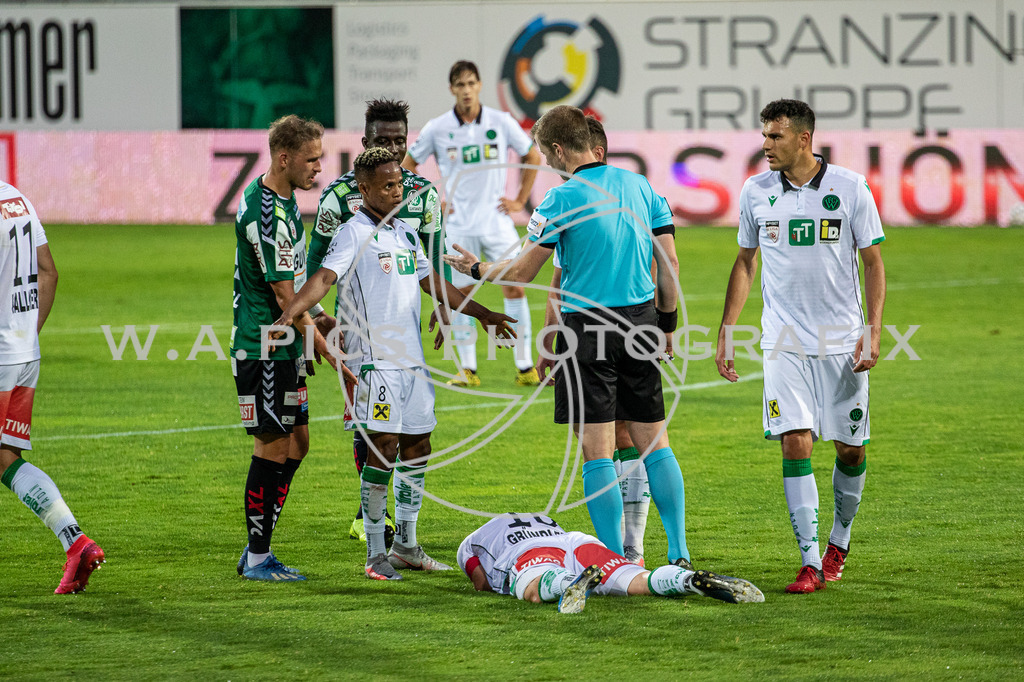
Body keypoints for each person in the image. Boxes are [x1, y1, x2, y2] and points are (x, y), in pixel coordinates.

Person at [445, 105, 690, 570]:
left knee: (597, 451)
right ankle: (678, 551)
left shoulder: (561, 200)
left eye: (543, 152)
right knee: (656, 443)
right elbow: (670, 264)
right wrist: (668, 324)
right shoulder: (641, 187)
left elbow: (523, 272)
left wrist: (473, 267)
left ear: (558, 149)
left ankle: (616, 562)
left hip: (588, 331)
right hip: (640, 324)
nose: (544, 162)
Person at [275, 147, 517, 580]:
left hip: (413, 365)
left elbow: (435, 284)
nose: (397, 191)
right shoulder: (352, 233)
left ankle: (406, 545)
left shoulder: (405, 232)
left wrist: (485, 315)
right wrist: (293, 312)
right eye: (388, 185)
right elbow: (324, 279)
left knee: (418, 448)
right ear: (364, 189)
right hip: (374, 364)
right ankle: (374, 554)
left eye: (400, 183)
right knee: (382, 450)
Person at [715, 99, 886, 594]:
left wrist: (872, 329)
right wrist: (728, 326)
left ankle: (840, 539)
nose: (765, 145)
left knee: (851, 450)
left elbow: (872, 261)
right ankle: (810, 561)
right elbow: (745, 261)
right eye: (764, 135)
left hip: (841, 342)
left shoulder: (850, 188)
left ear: (803, 139)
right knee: (796, 441)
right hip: (782, 340)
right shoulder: (755, 191)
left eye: (775, 136)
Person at [309, 98, 449, 548]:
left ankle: (392, 528)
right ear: (365, 141)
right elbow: (318, 266)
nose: (392, 148)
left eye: (399, 140)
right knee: (371, 425)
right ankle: (372, 517)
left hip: (406, 331)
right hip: (360, 332)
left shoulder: (422, 195)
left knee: (409, 431)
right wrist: (317, 320)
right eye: (382, 140)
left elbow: (434, 252)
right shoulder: (338, 197)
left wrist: (442, 306)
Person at [540, 116, 651, 566]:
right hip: (619, 325)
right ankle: (629, 551)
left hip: (595, 328)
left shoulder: (576, 195)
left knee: (603, 441)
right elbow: (560, 272)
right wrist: (549, 332)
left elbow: (649, 264)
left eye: (549, 155)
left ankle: (625, 551)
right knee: (620, 436)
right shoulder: (622, 192)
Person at [230, 114, 336, 582]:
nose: (319, 169)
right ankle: (257, 558)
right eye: (312, 161)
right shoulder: (267, 213)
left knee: (298, 442)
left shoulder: (285, 198)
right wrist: (322, 340)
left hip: (285, 344)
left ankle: (259, 541)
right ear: (284, 157)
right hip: (265, 346)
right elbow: (282, 296)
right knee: (272, 445)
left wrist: (312, 325)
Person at [403, 60, 542, 388]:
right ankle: (468, 369)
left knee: (515, 284)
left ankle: (524, 365)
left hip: (496, 220)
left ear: (479, 85)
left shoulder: (500, 121)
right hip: (458, 224)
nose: (466, 90)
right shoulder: (437, 128)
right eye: (459, 85)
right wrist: (430, 196)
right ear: (452, 89)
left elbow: (532, 155)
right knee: (461, 293)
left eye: (471, 83)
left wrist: (520, 200)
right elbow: (408, 166)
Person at [0, 181, 106, 594]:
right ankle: (75, 541)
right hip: (23, 352)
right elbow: (50, 272)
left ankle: (76, 541)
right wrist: (29, 334)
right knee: (6, 457)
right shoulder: (17, 198)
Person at [457, 514, 763, 613]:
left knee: (535, 590)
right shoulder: (543, 518)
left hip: (529, 552)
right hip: (577, 541)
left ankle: (568, 583)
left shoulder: (470, 542)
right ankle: (687, 579)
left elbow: (481, 583)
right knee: (636, 580)